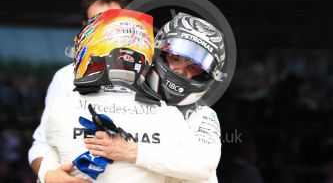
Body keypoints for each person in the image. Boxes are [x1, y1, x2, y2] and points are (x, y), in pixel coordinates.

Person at [80, 12, 228, 183]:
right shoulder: (123, 94)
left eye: (194, 68)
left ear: (205, 77)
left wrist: (131, 151)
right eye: (175, 57)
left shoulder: (202, 115)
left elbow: (203, 166)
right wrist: (49, 172)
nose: (180, 70)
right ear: (160, 52)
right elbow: (49, 139)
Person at [28, 0, 129, 177]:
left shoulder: (151, 76)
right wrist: (49, 175)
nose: (106, 30)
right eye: (96, 22)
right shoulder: (66, 77)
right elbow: (42, 143)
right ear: (84, 26)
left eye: (114, 21)